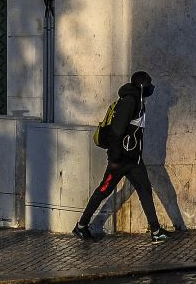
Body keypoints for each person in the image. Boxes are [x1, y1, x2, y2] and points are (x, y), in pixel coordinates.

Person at [73, 70, 170, 243]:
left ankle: (155, 230)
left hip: (134, 161)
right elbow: (117, 131)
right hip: (120, 160)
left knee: (145, 190)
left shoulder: (138, 101)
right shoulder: (130, 102)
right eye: (148, 85)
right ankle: (81, 226)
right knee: (104, 190)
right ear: (141, 87)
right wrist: (116, 157)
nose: (151, 88)